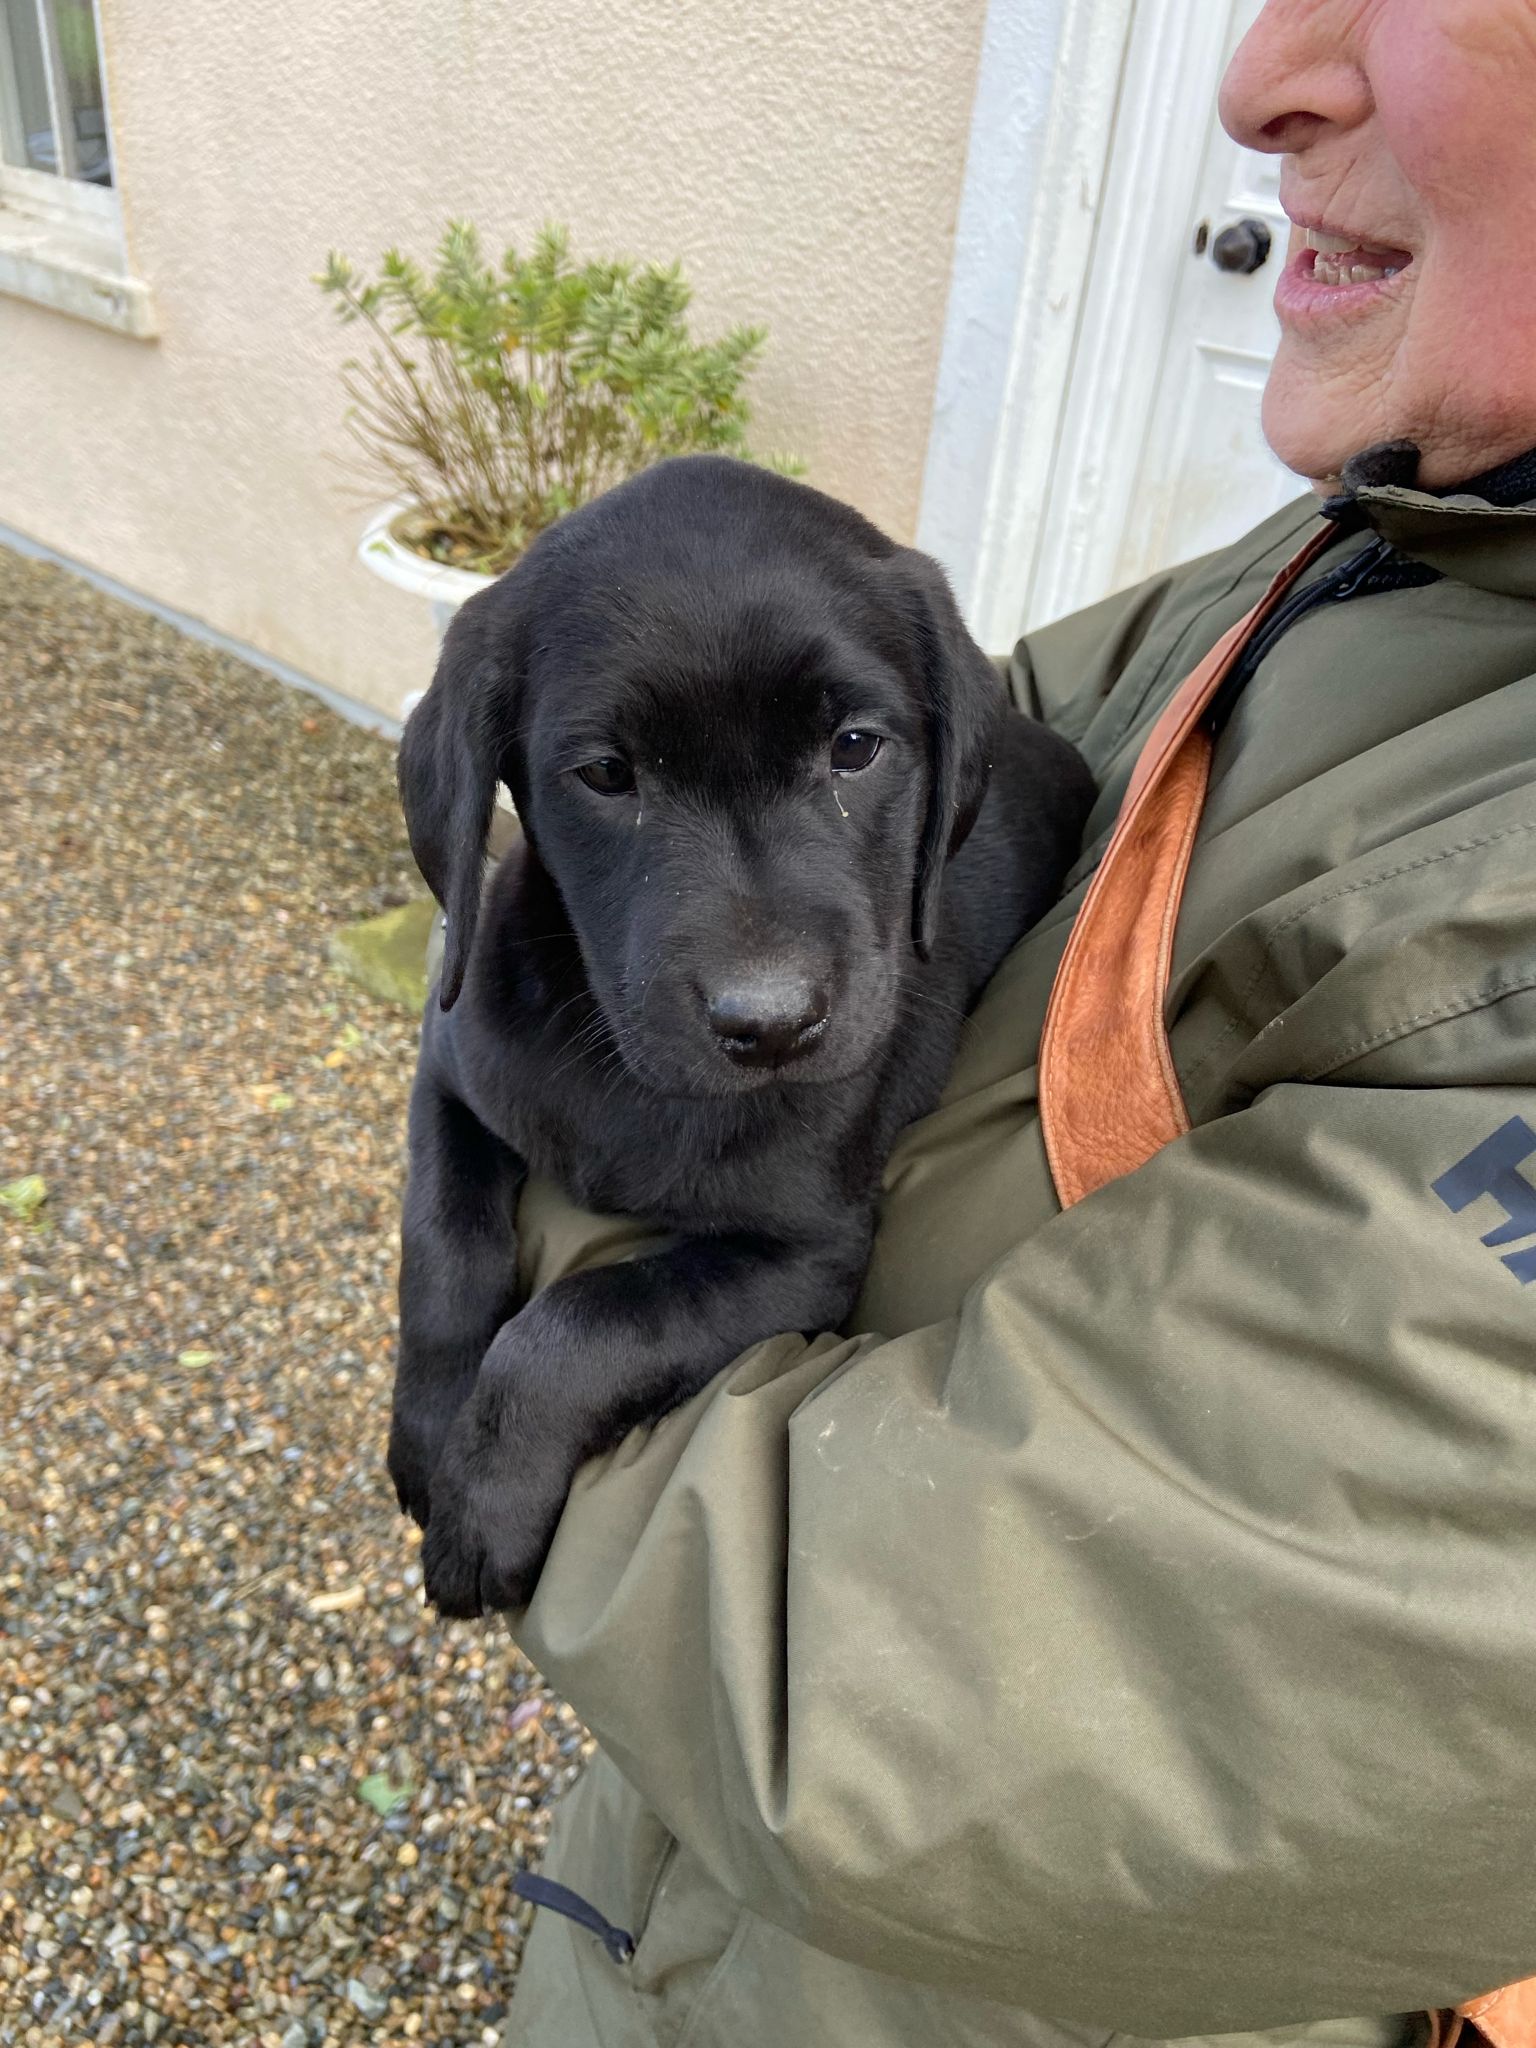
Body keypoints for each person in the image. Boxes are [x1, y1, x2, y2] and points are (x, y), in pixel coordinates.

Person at [495, 2, 1536, 2041]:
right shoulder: (1392, 548)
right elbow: (965, 758)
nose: (1259, 76)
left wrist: (525, 1127)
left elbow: (877, 1696)